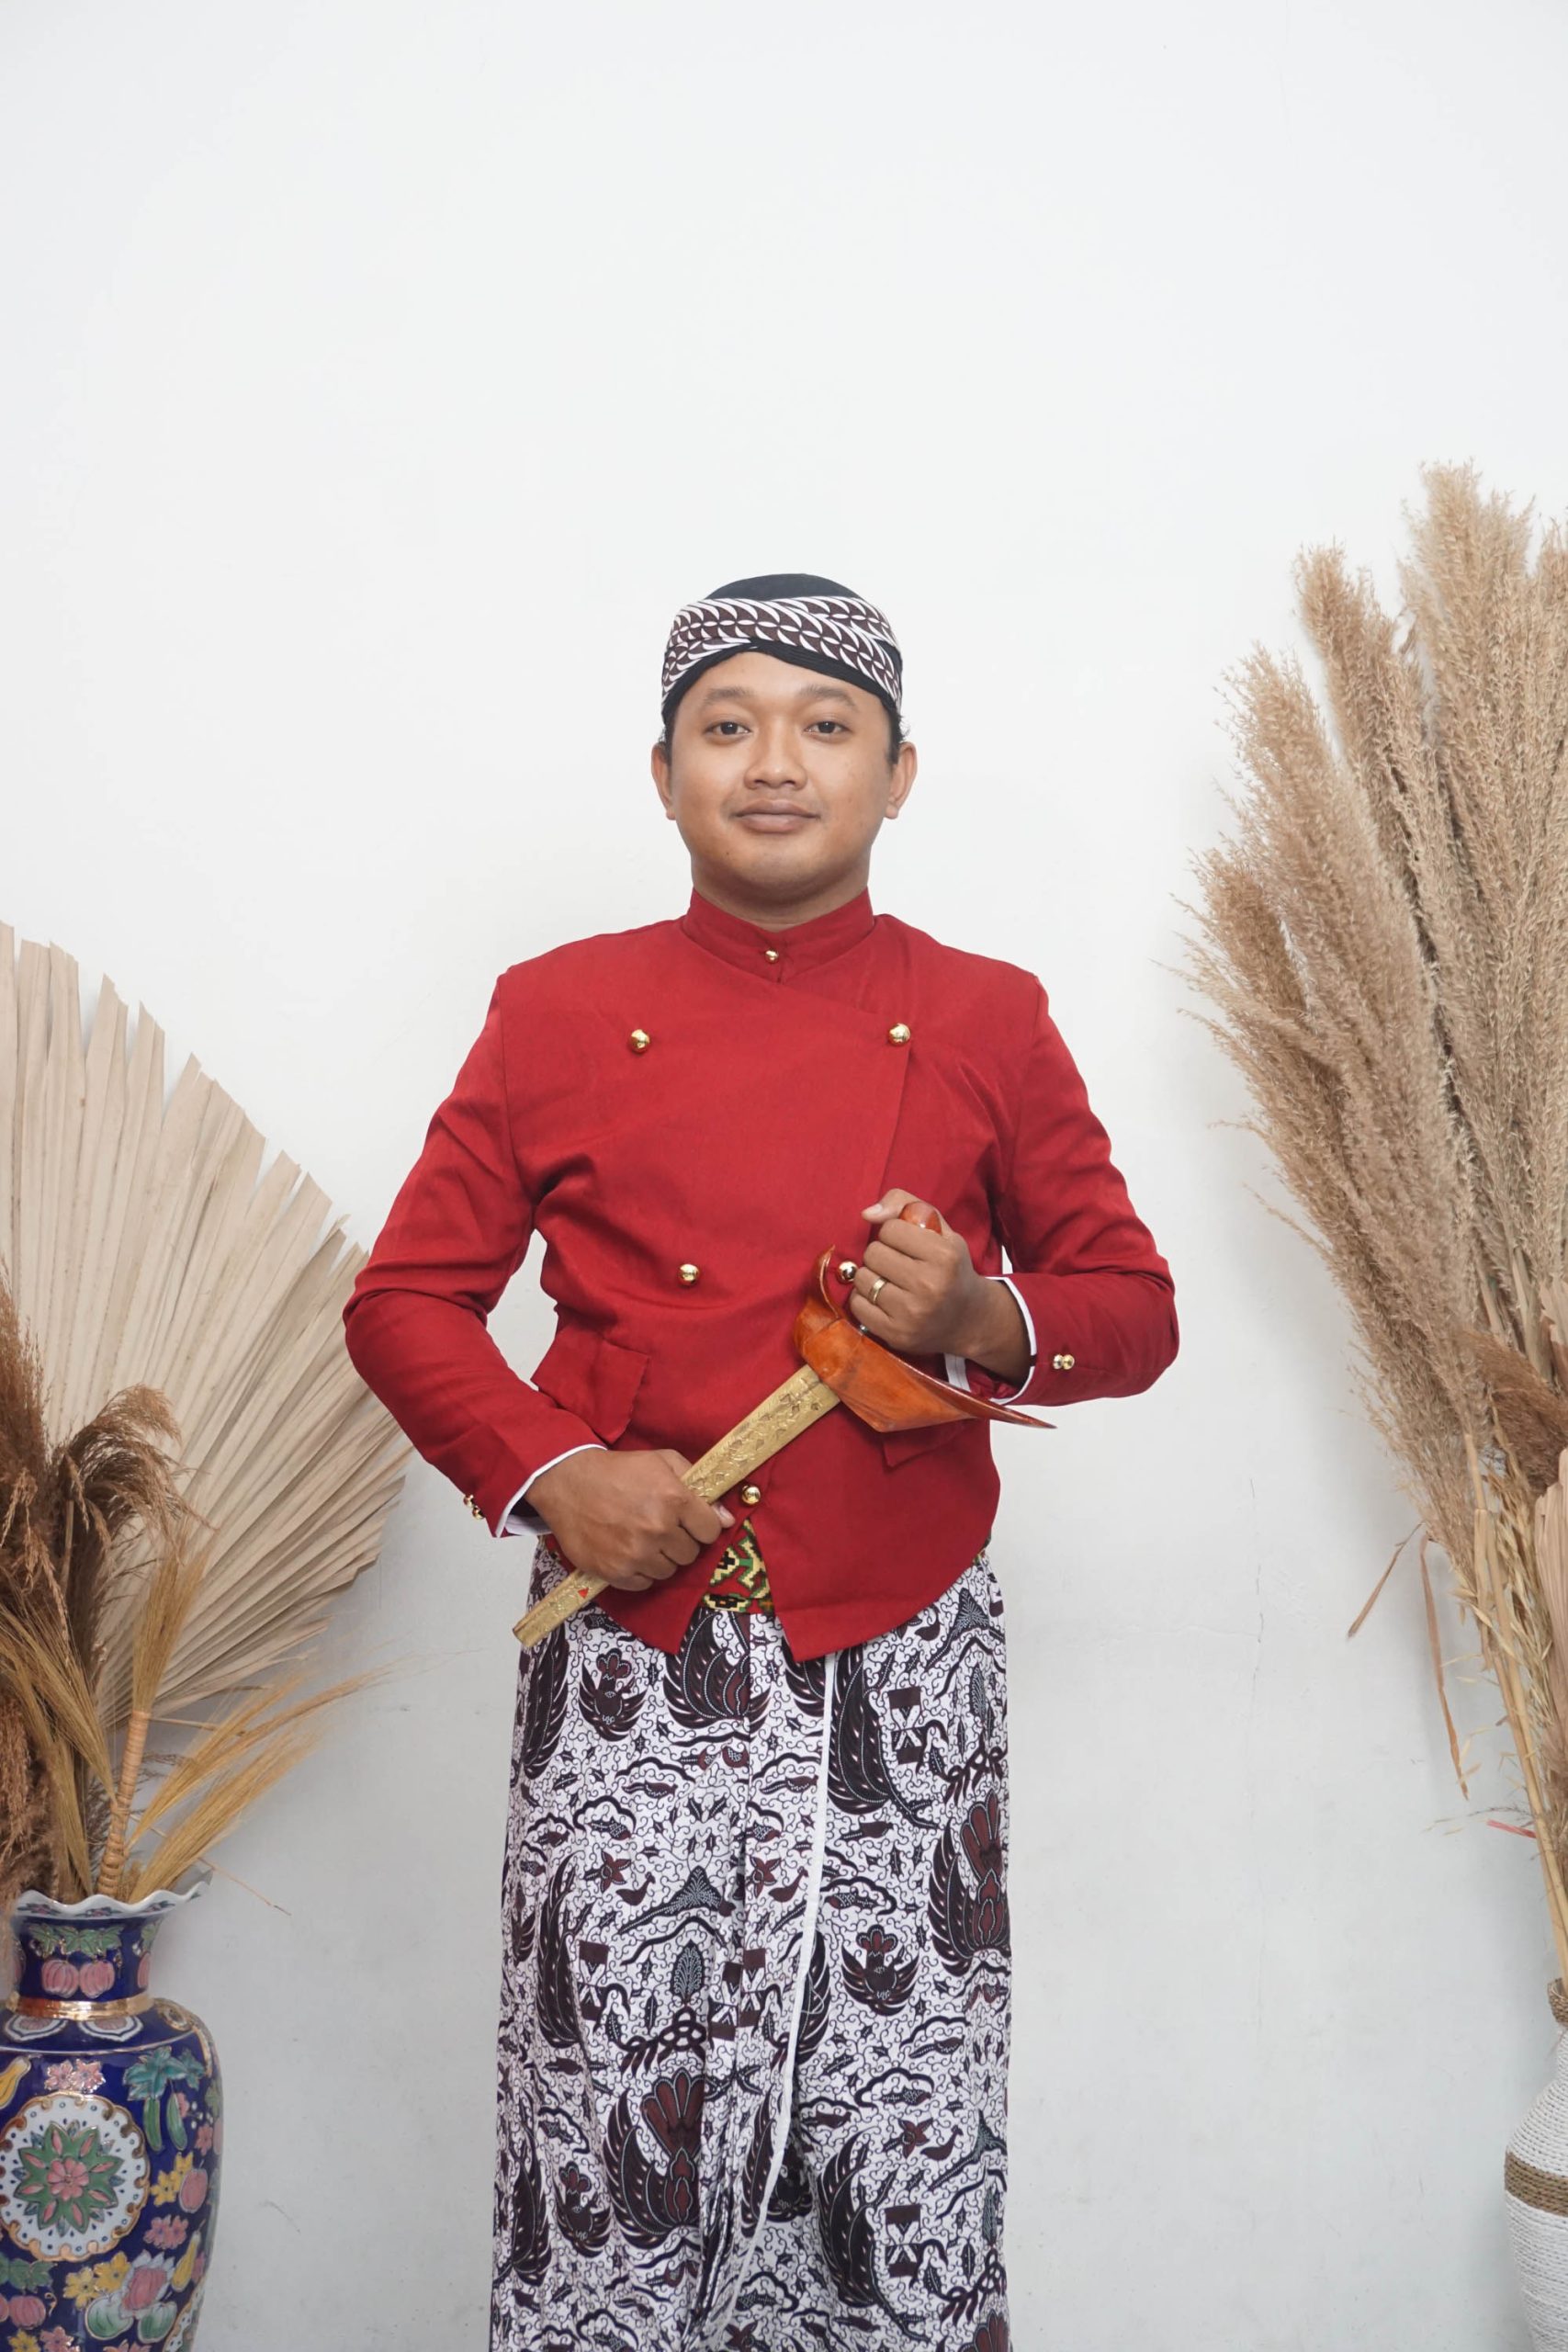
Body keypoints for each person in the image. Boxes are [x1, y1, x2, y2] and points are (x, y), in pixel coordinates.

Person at [341, 573, 1179, 2352]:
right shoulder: (556, 1009)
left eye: (825, 726)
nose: (774, 762)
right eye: (726, 726)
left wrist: (979, 1310)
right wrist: (553, 1471)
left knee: (890, 2150)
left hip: (906, 1663)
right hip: (632, 1659)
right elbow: (404, 1300)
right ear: (664, 777)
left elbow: (1132, 1308)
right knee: (609, 2141)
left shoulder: (987, 1014)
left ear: (898, 774)